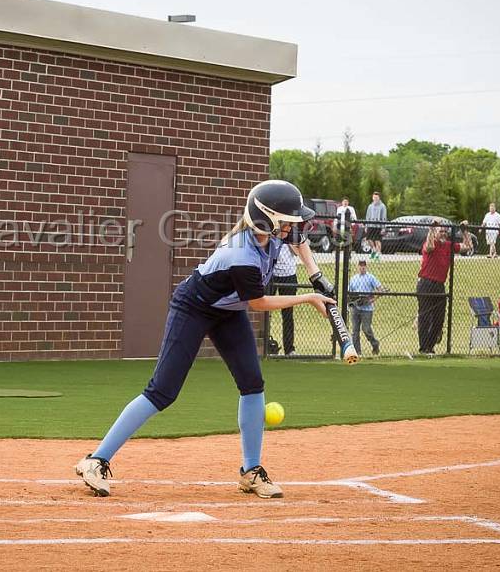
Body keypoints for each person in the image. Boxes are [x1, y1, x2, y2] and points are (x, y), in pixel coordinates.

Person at [74, 180, 345, 499]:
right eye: (287, 220)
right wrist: (309, 297)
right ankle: (96, 460)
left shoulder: (275, 233)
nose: (293, 226)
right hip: (194, 307)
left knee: (252, 383)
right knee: (162, 391)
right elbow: (258, 304)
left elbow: (300, 242)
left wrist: (317, 276)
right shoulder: (242, 253)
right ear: (267, 219)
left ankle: (251, 472)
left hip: (227, 311)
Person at [416, 220, 465, 354]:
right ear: (435, 233)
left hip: (439, 285)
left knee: (439, 318)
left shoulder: (449, 245)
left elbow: (467, 247)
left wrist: (465, 231)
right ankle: (423, 348)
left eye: (445, 231)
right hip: (426, 283)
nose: (443, 234)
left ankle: (430, 346)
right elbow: (429, 247)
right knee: (425, 317)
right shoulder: (430, 243)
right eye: (440, 231)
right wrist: (431, 229)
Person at [347, 258, 383, 355]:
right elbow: (349, 293)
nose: (362, 267)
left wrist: (373, 299)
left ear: (366, 267)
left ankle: (375, 344)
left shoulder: (371, 277)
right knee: (355, 331)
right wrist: (351, 302)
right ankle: (357, 352)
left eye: (364, 266)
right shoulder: (353, 278)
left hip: (367, 308)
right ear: (357, 266)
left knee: (366, 329)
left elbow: (380, 289)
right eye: (360, 265)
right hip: (355, 308)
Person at [267, 243, 298, 356]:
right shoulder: (273, 232)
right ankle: (267, 346)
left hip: (289, 275)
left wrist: (289, 241)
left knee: (288, 314)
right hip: (272, 275)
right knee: (265, 311)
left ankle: (289, 349)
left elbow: (298, 252)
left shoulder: (293, 234)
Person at [364, 192, 387, 260]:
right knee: (368, 239)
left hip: (378, 226)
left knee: (377, 240)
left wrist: (383, 228)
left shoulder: (382, 206)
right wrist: (366, 226)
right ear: (372, 198)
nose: (375, 198)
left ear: (379, 198)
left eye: (377, 197)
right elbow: (367, 216)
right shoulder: (370, 206)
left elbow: (384, 217)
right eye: (374, 197)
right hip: (370, 225)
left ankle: (378, 254)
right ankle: (373, 250)